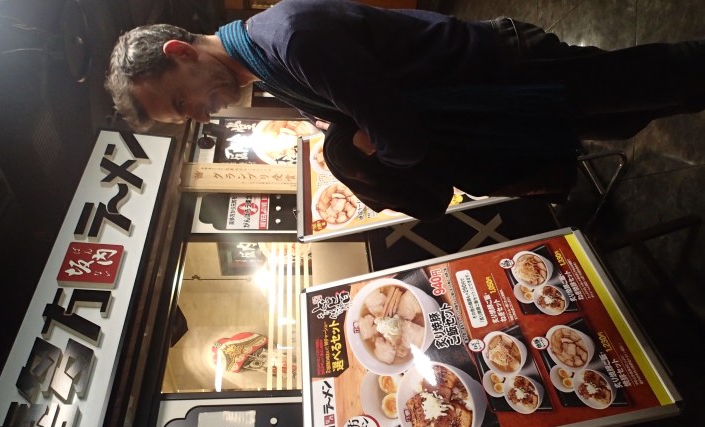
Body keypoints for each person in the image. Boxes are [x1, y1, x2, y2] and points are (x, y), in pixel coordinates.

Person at [105, 0, 705, 221]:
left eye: (180, 101)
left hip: (505, 73)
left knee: (656, 77)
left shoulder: (289, 42)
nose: (197, 116)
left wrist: (366, 148)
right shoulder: (265, 60)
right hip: (494, 88)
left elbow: (404, 141)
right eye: (182, 118)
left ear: (180, 52)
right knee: (633, 106)